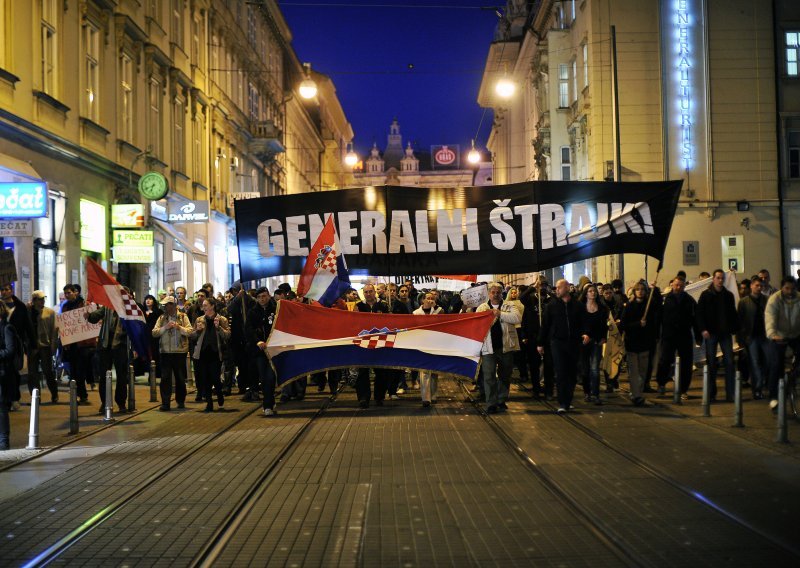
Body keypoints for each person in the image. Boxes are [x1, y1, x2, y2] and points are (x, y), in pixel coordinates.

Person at [538, 279, 584, 414]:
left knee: (572, 373)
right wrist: (540, 343)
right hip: (557, 343)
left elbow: (583, 322)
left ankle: (568, 400)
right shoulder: (551, 306)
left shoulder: (578, 305)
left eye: (559, 287)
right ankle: (563, 402)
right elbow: (545, 325)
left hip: (574, 343)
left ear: (567, 288)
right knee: (561, 371)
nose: (556, 290)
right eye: (556, 288)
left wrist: (586, 333)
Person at [478, 282, 522, 414]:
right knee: (489, 375)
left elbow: (517, 318)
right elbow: (477, 325)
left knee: (505, 374)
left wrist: (500, 314)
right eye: (493, 292)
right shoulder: (482, 307)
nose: (496, 294)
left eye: (498, 292)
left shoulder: (510, 305)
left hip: (506, 347)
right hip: (488, 348)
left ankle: (501, 399)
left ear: (502, 293)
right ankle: (491, 403)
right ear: (489, 293)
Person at [696, 269, 739, 402]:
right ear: (713, 279)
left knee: (730, 363)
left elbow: (732, 313)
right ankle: (711, 393)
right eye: (718, 278)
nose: (720, 280)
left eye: (722, 278)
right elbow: (699, 314)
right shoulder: (706, 295)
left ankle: (730, 393)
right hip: (711, 333)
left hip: (725, 333)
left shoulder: (728, 295)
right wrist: (703, 329)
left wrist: (734, 328)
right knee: (711, 364)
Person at [655, 276, 698, 399]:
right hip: (669, 335)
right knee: (665, 360)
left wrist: (698, 334)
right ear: (672, 285)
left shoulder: (689, 300)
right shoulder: (665, 299)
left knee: (686, 363)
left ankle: (683, 389)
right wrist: (657, 334)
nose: (678, 287)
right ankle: (661, 384)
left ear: (684, 286)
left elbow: (695, 318)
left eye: (681, 285)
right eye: (676, 285)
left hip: (684, 335)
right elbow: (658, 317)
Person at [86, 301, 130, 413]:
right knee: (104, 375)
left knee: (121, 375)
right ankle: (105, 402)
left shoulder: (128, 308)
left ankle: (121, 403)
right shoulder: (107, 307)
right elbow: (95, 317)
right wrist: (89, 315)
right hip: (105, 345)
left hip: (120, 344)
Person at [151, 296, 193, 411]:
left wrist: (179, 327)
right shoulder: (161, 318)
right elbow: (154, 333)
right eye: (164, 305)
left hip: (179, 352)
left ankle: (180, 400)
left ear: (173, 305)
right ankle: (165, 403)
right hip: (165, 352)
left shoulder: (183, 317)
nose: (165, 307)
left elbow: (190, 331)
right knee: (165, 378)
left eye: (167, 305)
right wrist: (165, 327)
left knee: (180, 378)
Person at [765, 276, 800, 411]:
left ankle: (794, 374)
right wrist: (772, 334)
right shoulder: (775, 299)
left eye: (792, 288)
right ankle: (774, 397)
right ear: (781, 288)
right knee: (775, 364)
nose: (790, 291)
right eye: (787, 288)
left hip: (796, 334)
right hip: (779, 335)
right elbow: (770, 317)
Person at [620, 281, 657, 406]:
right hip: (632, 344)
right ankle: (636, 395)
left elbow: (654, 322)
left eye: (642, 289)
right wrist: (638, 324)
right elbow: (624, 324)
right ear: (634, 292)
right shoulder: (629, 307)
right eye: (638, 289)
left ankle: (637, 392)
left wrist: (654, 289)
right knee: (634, 372)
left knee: (643, 372)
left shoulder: (650, 306)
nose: (640, 291)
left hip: (645, 344)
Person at [192, 298, 231, 412]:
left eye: (205, 305)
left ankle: (219, 393)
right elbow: (192, 336)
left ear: (212, 306)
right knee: (205, 378)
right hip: (202, 353)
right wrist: (198, 331)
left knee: (215, 377)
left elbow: (227, 335)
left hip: (215, 353)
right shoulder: (199, 320)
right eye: (203, 305)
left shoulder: (221, 319)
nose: (203, 307)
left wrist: (218, 328)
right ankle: (209, 403)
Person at [355, 283, 389, 408]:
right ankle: (363, 398)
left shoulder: (384, 305)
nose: (368, 294)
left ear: (375, 292)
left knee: (381, 372)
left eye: (370, 291)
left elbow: (389, 322)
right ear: (363, 293)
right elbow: (354, 323)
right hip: (363, 343)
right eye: (366, 292)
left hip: (380, 342)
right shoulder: (358, 306)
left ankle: (379, 397)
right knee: (363, 372)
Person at [520, 276, 555, 400]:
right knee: (534, 365)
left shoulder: (551, 301)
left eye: (544, 285)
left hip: (548, 338)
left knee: (549, 365)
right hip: (533, 336)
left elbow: (559, 300)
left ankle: (548, 390)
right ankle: (536, 389)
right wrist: (533, 287)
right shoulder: (530, 300)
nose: (542, 287)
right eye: (541, 285)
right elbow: (521, 298)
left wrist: (550, 291)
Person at [1, 283, 34, 409]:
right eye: (2, 290)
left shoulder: (20, 306)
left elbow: (28, 325)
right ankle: (6, 398)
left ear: (12, 290)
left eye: (6, 289)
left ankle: (14, 398)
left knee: (13, 372)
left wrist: (32, 344)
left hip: (15, 344)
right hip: (1, 343)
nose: (4, 292)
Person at [246, 287, 278, 416]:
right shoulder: (253, 312)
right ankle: (268, 404)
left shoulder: (276, 309)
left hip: (275, 350)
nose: (262, 299)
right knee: (264, 378)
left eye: (264, 296)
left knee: (271, 377)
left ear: (269, 296)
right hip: (260, 351)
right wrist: (258, 341)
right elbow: (248, 329)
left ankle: (268, 403)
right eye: (259, 297)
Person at [737, 276, 769, 400]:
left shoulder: (766, 300)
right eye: (757, 285)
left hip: (764, 336)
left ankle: (761, 384)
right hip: (751, 337)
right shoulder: (744, 302)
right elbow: (740, 321)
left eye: (761, 286)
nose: (759, 288)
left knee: (767, 361)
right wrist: (740, 339)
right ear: (751, 286)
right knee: (755, 363)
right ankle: (757, 388)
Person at [61, 284, 93, 403]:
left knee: (80, 371)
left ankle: (83, 395)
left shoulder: (84, 304)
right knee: (73, 372)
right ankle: (79, 395)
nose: (67, 295)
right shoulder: (65, 307)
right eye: (65, 293)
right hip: (72, 344)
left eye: (69, 293)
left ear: (76, 292)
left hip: (83, 344)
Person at [27, 291, 59, 403]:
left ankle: (54, 394)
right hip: (32, 346)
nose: (42, 301)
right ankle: (36, 397)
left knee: (47, 371)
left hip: (45, 345)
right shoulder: (29, 312)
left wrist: (53, 345)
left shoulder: (50, 312)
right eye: (40, 299)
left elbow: (54, 330)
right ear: (34, 300)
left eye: (43, 299)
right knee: (32, 373)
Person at [413, 293, 443, 407]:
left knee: (434, 372)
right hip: (422, 344)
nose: (430, 300)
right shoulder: (416, 313)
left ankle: (434, 395)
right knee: (424, 371)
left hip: (435, 344)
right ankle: (426, 398)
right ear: (422, 300)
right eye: (428, 298)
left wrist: (435, 309)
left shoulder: (439, 311)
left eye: (432, 299)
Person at [580, 284, 608, 404]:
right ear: (586, 293)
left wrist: (603, 337)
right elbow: (577, 324)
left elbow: (604, 325)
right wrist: (583, 335)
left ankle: (595, 394)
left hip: (596, 341)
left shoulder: (601, 308)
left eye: (594, 291)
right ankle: (587, 392)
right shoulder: (580, 308)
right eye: (590, 291)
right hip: (584, 342)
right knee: (585, 369)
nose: (593, 293)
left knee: (595, 369)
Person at [0, 302, 21, 450]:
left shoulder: (6, 328)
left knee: (1, 409)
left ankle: (3, 441)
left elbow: (9, 351)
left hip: (2, 374)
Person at [505, 286, 527, 383]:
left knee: (520, 354)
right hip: (510, 329)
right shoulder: (506, 303)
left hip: (519, 328)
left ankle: (523, 374)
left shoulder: (521, 303)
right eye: (512, 292)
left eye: (515, 292)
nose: (514, 294)